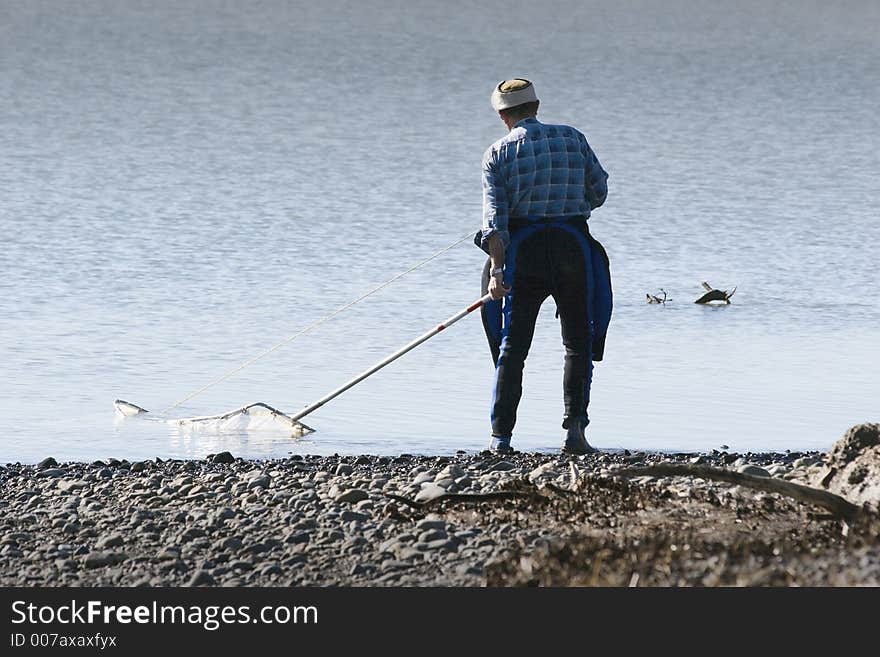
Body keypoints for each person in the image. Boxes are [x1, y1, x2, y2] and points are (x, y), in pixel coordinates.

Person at [476, 78, 612, 455]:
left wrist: (497, 274)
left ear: (503, 115)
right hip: (573, 248)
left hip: (525, 253)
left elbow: (495, 224)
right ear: (535, 106)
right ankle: (575, 434)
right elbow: (598, 193)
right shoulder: (572, 138)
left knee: (513, 347)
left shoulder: (497, 153)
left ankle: (500, 438)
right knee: (577, 343)